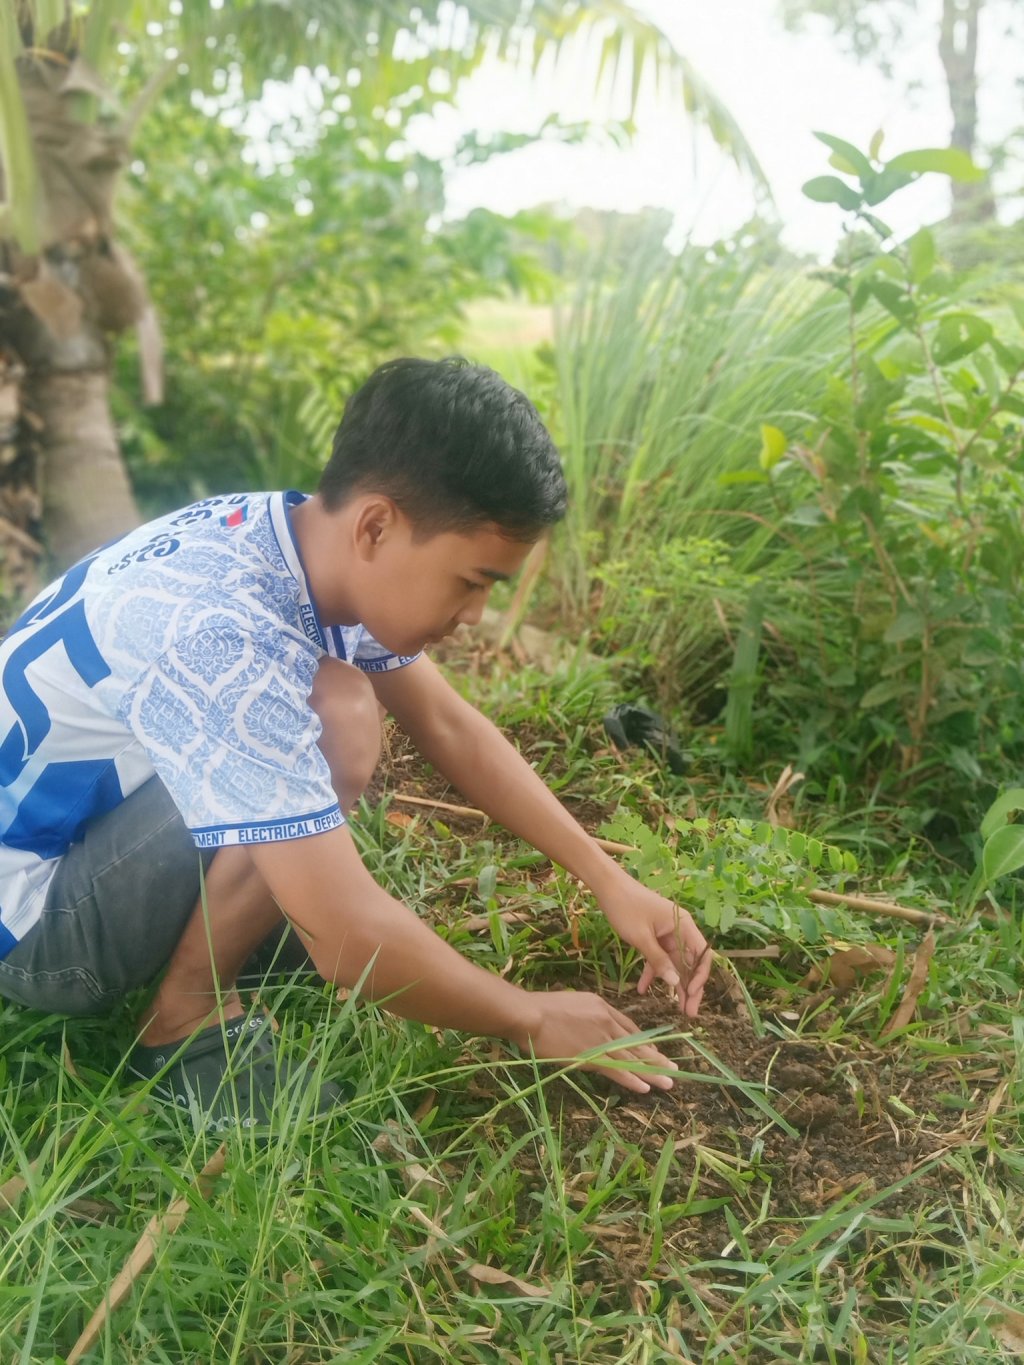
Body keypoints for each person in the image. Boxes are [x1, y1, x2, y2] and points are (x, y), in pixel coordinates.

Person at [0, 357, 710, 1129]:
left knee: (325, 721)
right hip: (35, 927)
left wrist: (607, 877)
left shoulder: (291, 536)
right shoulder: (222, 638)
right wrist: (531, 1016)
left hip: (77, 830)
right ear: (376, 525)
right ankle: (183, 1021)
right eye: (471, 580)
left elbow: (448, 726)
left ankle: (241, 916)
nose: (476, 614)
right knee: (337, 713)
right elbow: (343, 938)